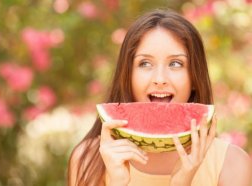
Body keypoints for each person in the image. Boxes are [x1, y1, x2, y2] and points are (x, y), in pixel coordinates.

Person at [68, 9, 252, 186]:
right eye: (145, 63)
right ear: (128, 75)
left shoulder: (232, 165)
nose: (160, 79)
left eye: (176, 63)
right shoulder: (89, 160)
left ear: (195, 77)